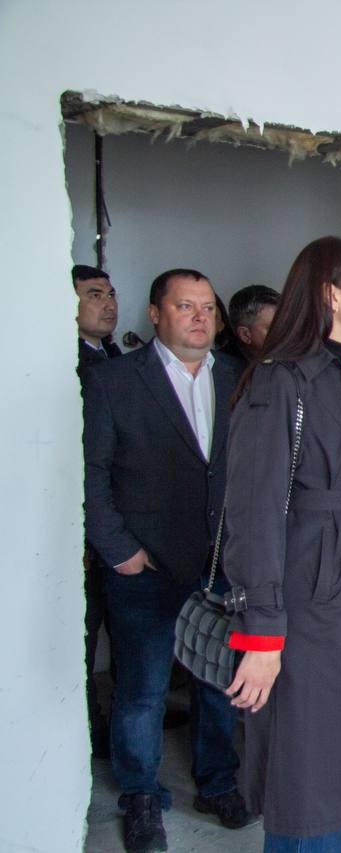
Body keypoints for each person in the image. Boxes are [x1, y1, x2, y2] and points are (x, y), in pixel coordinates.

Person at [221, 236, 341, 852]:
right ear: (330, 294)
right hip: (310, 600)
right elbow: (253, 513)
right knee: (308, 775)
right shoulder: (281, 381)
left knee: (340, 766)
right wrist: (261, 634)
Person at [82, 268, 249, 852]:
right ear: (155, 314)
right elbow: (92, 475)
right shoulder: (114, 381)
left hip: (221, 561)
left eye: (208, 307)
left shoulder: (237, 376)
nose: (201, 317)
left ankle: (217, 782)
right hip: (145, 566)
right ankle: (141, 796)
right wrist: (120, 551)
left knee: (216, 681)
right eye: (185, 306)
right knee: (143, 689)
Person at [74, 263, 122, 759]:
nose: (108, 303)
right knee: (83, 638)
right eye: (94, 294)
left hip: (126, 525)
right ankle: (88, 731)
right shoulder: (71, 363)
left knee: (124, 633)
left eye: (110, 294)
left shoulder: (112, 355)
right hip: (93, 529)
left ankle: (119, 723)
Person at [74, 264, 122, 372]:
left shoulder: (112, 352)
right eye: (96, 296)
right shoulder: (69, 361)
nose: (111, 306)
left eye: (111, 295)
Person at [228, 284, 280, 361]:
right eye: (273, 329)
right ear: (245, 335)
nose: (286, 333)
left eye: (287, 323)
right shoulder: (227, 366)